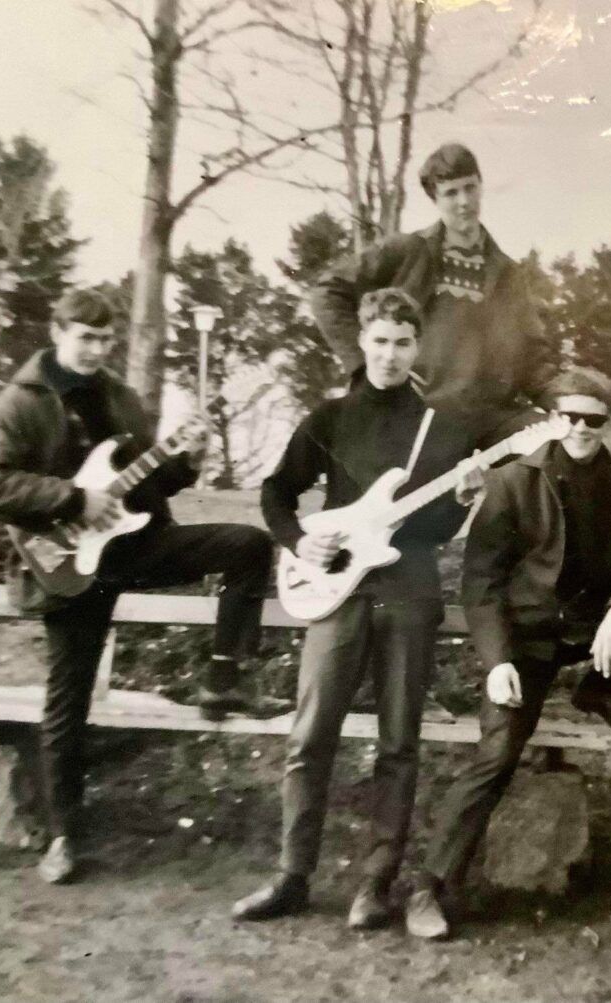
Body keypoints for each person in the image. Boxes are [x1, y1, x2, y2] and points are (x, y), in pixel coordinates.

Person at [0, 288, 288, 885]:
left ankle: (224, 681)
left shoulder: (120, 398)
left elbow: (149, 485)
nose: (95, 349)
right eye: (84, 337)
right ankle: (63, 835)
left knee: (248, 544)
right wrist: (73, 499)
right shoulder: (22, 401)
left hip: (136, 544)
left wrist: (187, 459)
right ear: (58, 333)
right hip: (71, 563)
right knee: (68, 700)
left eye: (104, 339)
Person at [404, 367, 611, 939]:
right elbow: (481, 583)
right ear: (553, 419)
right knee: (497, 754)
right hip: (529, 641)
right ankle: (431, 887)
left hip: (592, 629)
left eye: (594, 419)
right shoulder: (514, 481)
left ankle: (599, 688)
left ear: (608, 423)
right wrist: (498, 663)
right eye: (570, 417)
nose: (581, 428)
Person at [233, 288, 479, 930]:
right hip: (338, 586)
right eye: (380, 341)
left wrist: (463, 499)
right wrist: (299, 541)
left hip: (409, 588)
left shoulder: (441, 427)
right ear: (362, 341)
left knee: (399, 742)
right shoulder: (330, 416)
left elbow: (438, 528)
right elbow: (276, 492)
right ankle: (292, 875)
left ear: (417, 347)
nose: (390, 354)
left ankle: (376, 883)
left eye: (403, 343)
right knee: (310, 734)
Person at [311, 142, 553, 446]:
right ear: (435, 199)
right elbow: (328, 291)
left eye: (470, 188)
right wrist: (366, 367)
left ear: (480, 187)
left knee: (557, 445)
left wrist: (569, 400)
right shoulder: (406, 251)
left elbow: (532, 357)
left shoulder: (507, 273)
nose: (464, 201)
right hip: (415, 412)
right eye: (451, 193)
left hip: (489, 417)